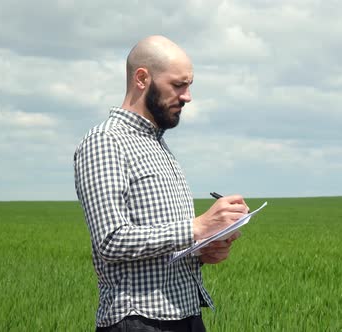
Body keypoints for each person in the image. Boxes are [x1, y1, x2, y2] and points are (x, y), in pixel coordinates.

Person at [74, 35, 249, 332]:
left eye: (189, 85)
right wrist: (196, 228)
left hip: (185, 314)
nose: (187, 96)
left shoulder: (158, 146)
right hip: (138, 321)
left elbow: (159, 246)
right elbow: (111, 240)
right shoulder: (106, 142)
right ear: (142, 78)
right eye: (178, 85)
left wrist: (202, 249)